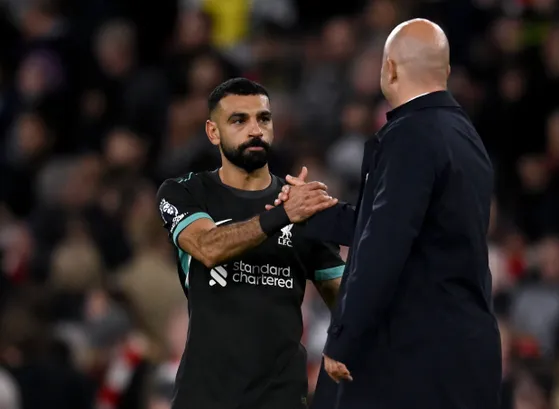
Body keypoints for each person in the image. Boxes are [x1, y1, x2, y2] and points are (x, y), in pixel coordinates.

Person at [270, 19, 502, 409]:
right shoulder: (465, 136)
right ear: (444, 71)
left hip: (416, 355)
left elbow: (384, 244)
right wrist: (312, 213)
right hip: (463, 351)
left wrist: (343, 336)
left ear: (390, 69)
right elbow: (396, 226)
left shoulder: (411, 134)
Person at [156, 78, 346, 409]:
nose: (255, 130)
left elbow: (343, 294)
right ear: (213, 132)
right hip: (205, 397)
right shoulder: (185, 192)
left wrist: (344, 342)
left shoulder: (300, 206)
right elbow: (207, 247)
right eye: (239, 120)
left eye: (264, 118)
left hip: (282, 399)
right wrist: (283, 215)